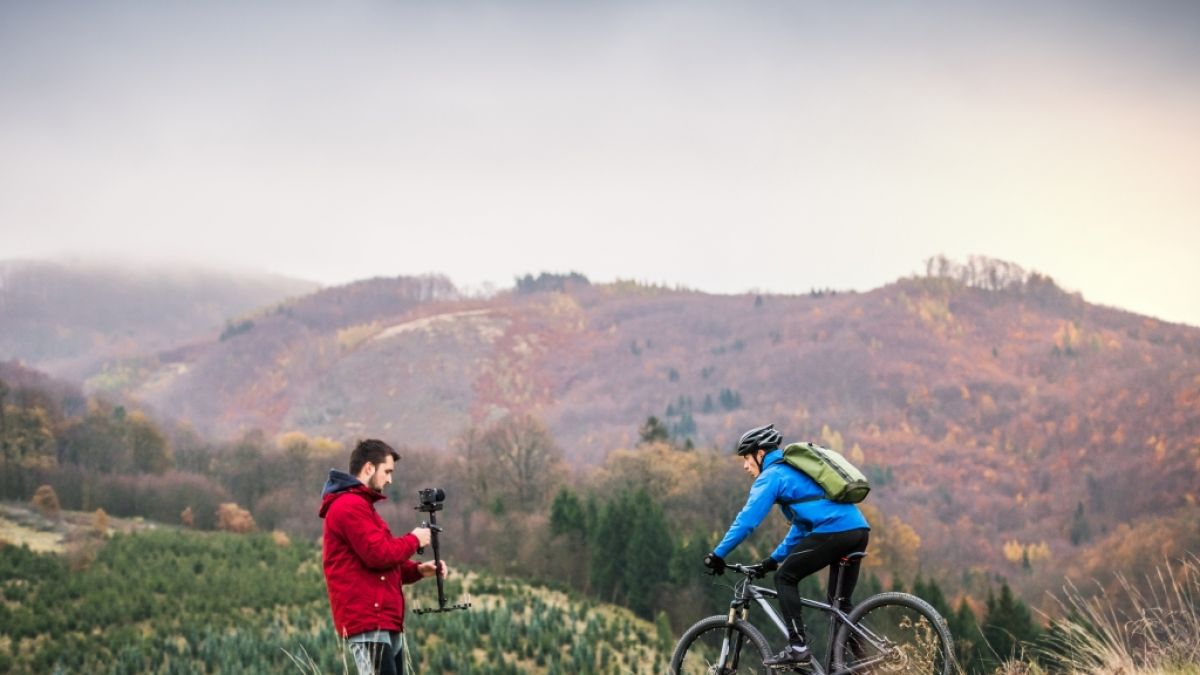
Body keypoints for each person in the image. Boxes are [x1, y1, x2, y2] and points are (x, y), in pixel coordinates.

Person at [703, 424, 870, 669]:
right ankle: (869, 666)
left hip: (835, 530)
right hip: (857, 530)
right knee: (839, 607)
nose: (745, 466)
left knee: (785, 578)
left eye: (747, 458)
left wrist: (718, 554)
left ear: (760, 454)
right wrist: (772, 560)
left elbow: (747, 521)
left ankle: (798, 647)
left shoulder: (772, 476)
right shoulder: (792, 472)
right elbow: (800, 528)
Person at [319, 438, 447, 675]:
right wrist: (414, 539)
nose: (390, 479)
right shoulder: (348, 505)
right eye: (387, 471)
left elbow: (382, 562)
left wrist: (418, 570)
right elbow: (378, 555)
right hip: (369, 622)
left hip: (383, 620)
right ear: (369, 468)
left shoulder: (361, 506)